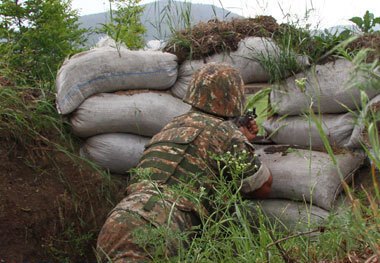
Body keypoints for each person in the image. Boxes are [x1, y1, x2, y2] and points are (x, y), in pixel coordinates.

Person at [96, 63, 273, 262]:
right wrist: (241, 142)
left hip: (119, 218)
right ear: (235, 97)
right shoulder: (226, 133)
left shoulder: (172, 125)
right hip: (163, 227)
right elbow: (262, 187)